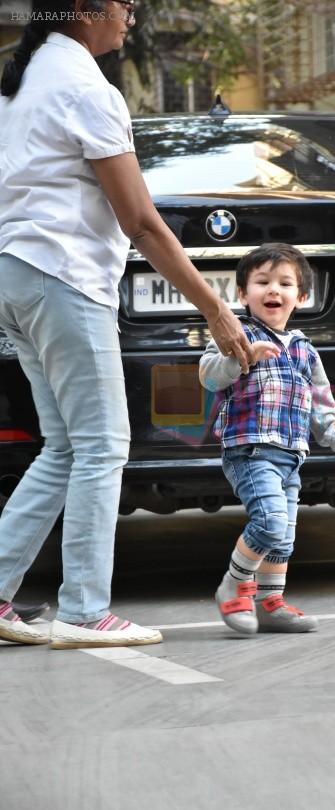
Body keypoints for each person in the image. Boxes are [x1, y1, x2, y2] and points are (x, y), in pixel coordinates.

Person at [0, 0, 252, 649]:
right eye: (123, 4)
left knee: (65, 446)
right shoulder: (86, 87)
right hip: (64, 277)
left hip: (18, 275)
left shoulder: (22, 84)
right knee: (104, 443)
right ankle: (84, 611)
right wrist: (216, 308)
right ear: (84, 9)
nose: (131, 15)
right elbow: (140, 220)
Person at [199, 243, 335, 634]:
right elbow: (209, 376)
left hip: (291, 455)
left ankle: (269, 603)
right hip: (250, 449)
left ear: (302, 296)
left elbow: (321, 410)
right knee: (270, 523)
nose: (272, 290)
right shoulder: (235, 334)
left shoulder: (305, 350)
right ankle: (234, 584)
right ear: (242, 293)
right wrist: (239, 359)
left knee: (284, 538)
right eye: (261, 282)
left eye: (284, 283)